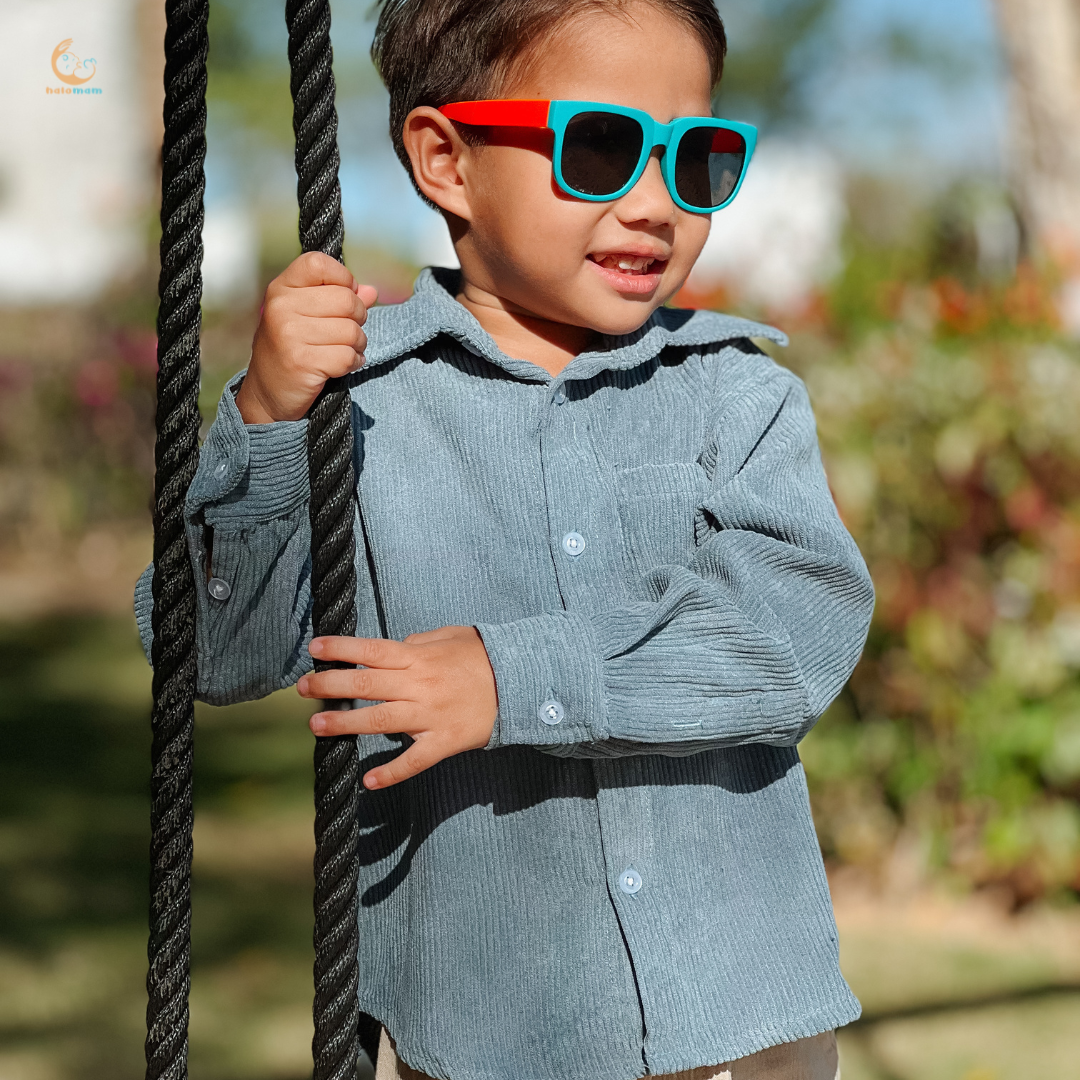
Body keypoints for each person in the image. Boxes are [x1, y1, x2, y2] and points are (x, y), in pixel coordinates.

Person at [135, 1, 873, 1077]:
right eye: (603, 148)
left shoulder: (738, 397)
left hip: (739, 1022)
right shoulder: (352, 404)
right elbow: (214, 652)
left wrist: (512, 677)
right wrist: (269, 419)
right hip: (482, 1034)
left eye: (696, 159)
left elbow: (792, 636)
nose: (656, 203)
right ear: (446, 160)